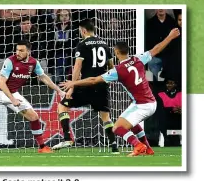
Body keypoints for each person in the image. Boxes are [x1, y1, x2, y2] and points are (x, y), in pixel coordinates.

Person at [61, 28, 181, 157]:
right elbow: (156, 49)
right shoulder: (139, 59)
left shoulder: (118, 70)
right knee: (130, 123)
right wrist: (170, 36)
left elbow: (93, 80)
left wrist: (73, 83)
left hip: (142, 105)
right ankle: (148, 148)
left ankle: (138, 145)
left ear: (116, 52)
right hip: (150, 102)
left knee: (117, 128)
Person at [54, 19, 118, 152]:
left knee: (62, 106)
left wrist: (71, 87)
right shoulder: (105, 44)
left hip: (86, 85)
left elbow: (77, 68)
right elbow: (111, 67)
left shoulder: (82, 44)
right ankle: (114, 147)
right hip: (101, 84)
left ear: (83, 30)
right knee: (106, 117)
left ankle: (67, 139)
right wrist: (107, 81)